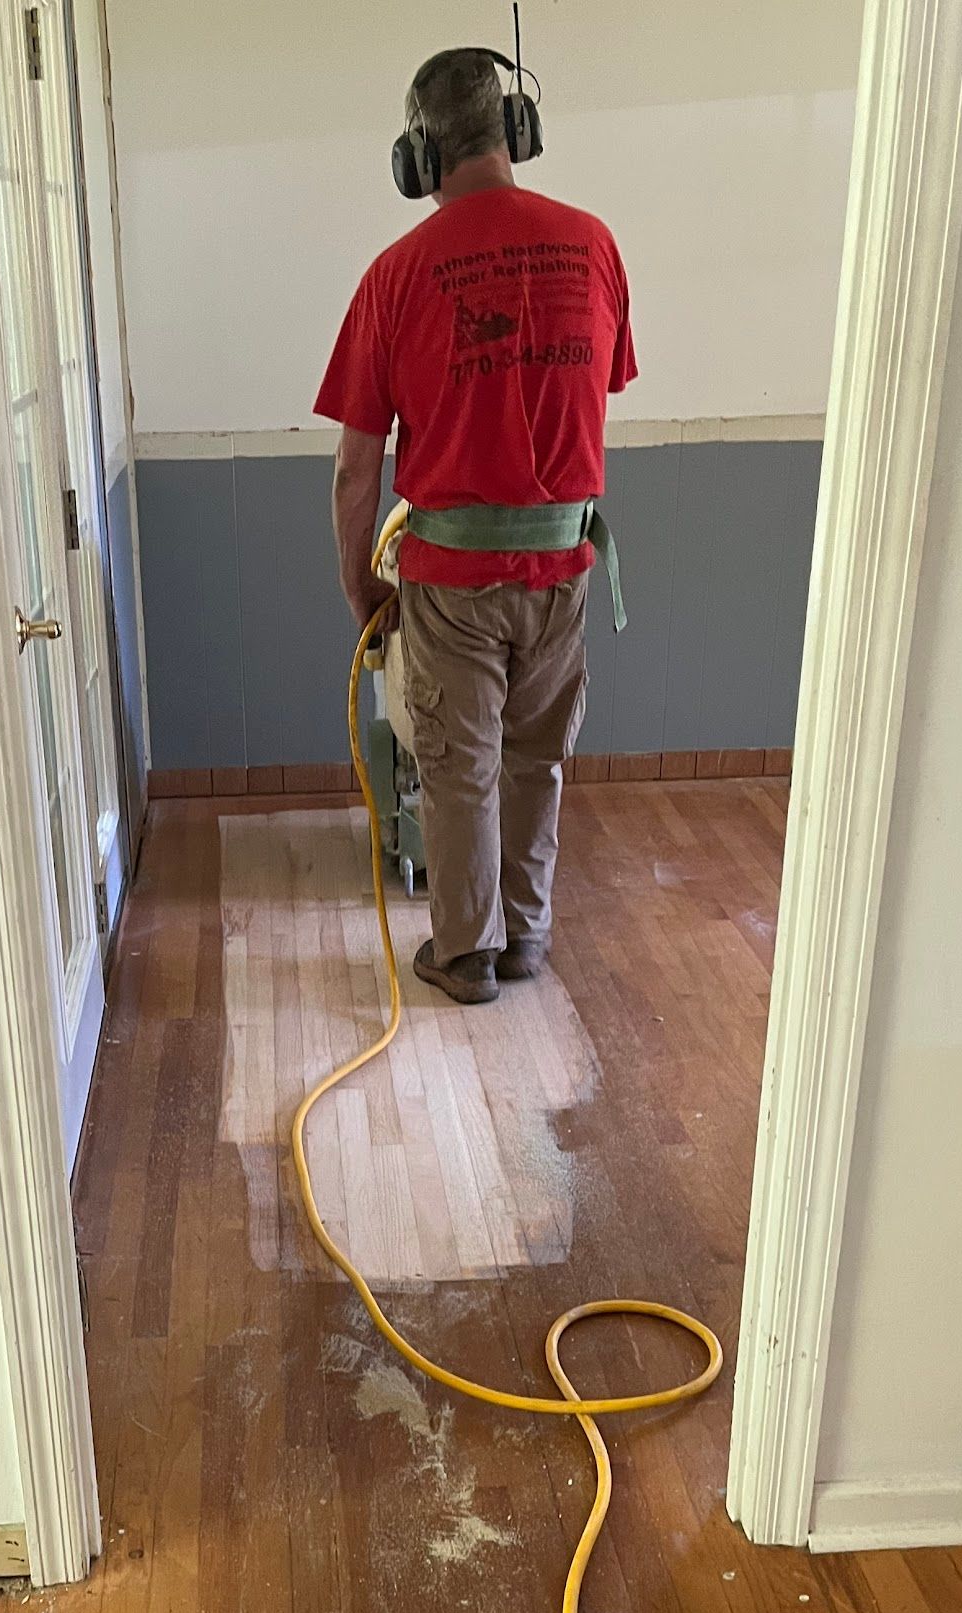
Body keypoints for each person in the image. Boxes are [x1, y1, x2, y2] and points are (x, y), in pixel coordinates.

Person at [314, 46, 636, 1005]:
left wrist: (361, 589)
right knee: (536, 758)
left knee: (457, 766)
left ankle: (462, 956)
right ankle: (525, 939)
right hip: (564, 569)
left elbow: (353, 470)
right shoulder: (594, 244)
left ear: (420, 154)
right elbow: (601, 382)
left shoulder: (397, 274)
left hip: (451, 584)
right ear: (515, 134)